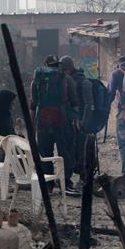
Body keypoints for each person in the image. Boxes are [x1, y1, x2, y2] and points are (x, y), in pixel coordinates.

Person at [31, 55, 79, 195]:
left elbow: (33, 104)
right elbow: (75, 103)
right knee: (65, 152)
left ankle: (48, 184)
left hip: (42, 121)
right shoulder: (66, 78)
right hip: (62, 121)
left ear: (45, 65)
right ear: (57, 64)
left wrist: (32, 124)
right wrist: (75, 121)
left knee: (45, 153)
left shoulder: (37, 80)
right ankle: (66, 182)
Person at [60, 55, 94, 185]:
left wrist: (84, 123)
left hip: (81, 124)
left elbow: (88, 104)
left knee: (82, 152)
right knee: (71, 151)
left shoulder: (83, 82)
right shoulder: (66, 81)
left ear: (68, 69)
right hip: (70, 123)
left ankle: (84, 178)